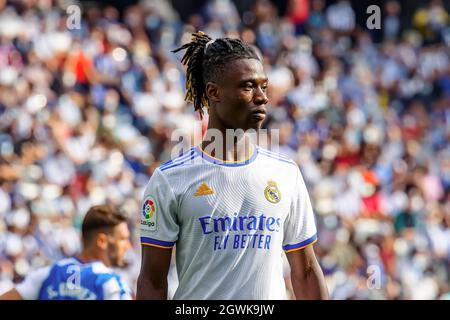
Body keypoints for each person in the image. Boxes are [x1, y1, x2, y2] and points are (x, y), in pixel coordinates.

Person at [137, 31, 329, 300]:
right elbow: (152, 280)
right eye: (248, 86)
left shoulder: (286, 174)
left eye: (264, 86)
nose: (261, 97)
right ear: (214, 92)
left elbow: (306, 270)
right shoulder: (170, 180)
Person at [0, 205, 133, 300]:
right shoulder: (111, 284)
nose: (128, 246)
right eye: (123, 239)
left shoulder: (48, 274)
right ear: (102, 241)